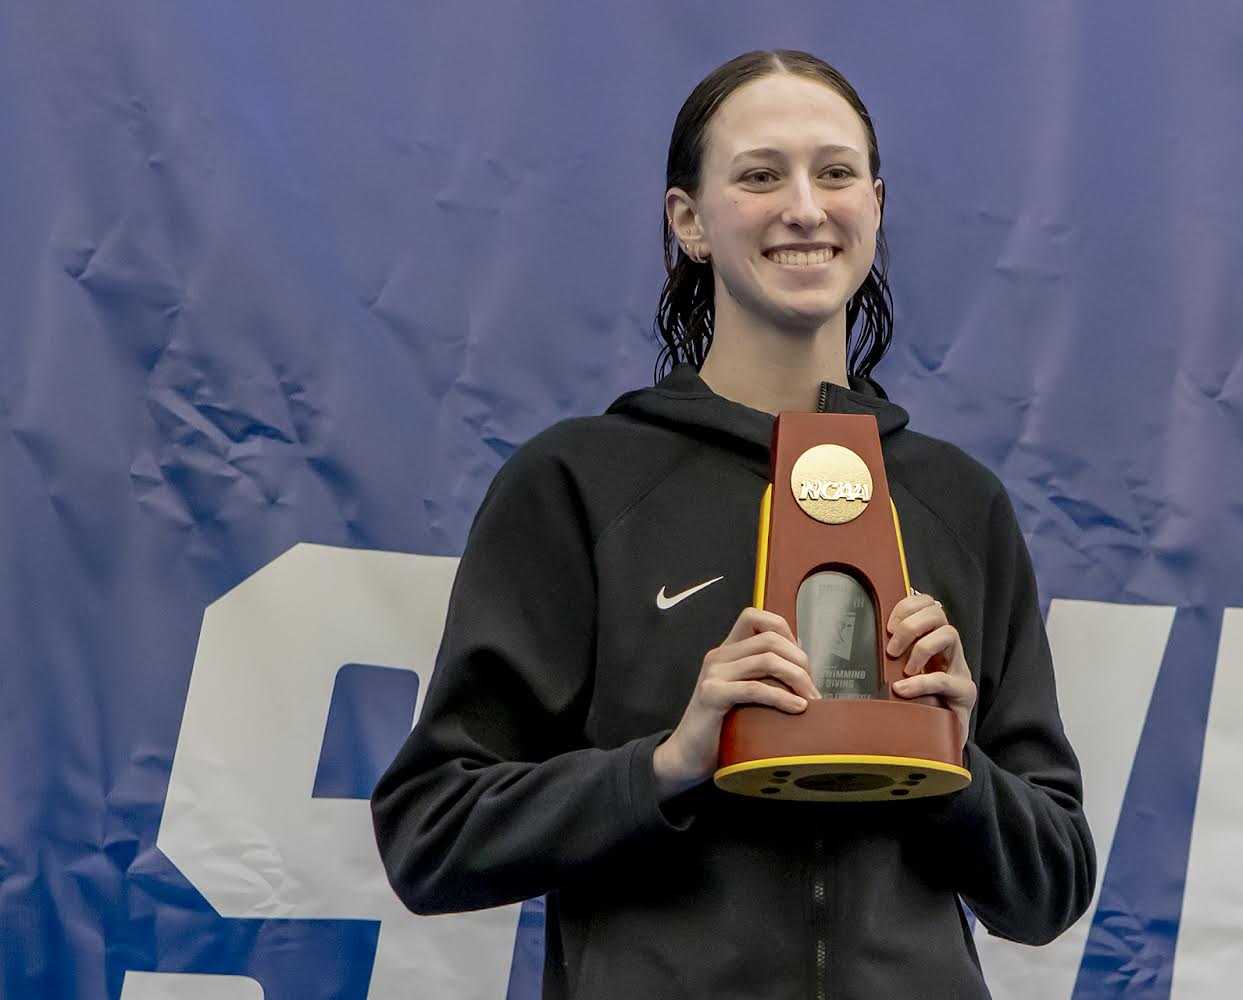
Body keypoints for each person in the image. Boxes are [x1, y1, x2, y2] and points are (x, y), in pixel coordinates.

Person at [371, 48, 1096, 1000]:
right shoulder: (580, 482)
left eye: (835, 173)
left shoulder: (958, 502)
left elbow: (1050, 889)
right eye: (760, 175)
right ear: (690, 222)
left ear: (874, 205)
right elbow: (432, 833)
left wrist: (952, 757)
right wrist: (669, 763)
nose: (805, 206)